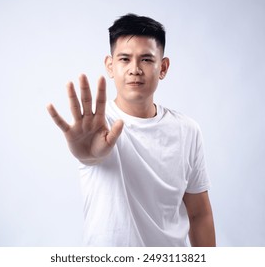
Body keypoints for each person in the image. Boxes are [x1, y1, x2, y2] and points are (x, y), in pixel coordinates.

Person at [47, 13, 216, 247]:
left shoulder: (187, 130)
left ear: (163, 67)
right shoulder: (95, 125)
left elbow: (199, 215)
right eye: (124, 59)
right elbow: (88, 155)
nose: (135, 69)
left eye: (146, 59)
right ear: (110, 65)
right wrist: (87, 155)